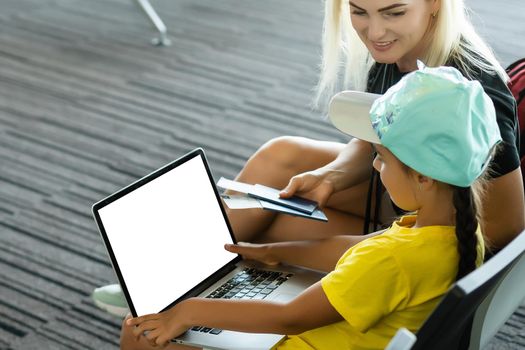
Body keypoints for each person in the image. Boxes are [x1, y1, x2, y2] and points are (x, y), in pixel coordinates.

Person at [93, 0, 524, 317]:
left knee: (268, 227)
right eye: (359, 11)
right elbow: (381, 135)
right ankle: (169, 287)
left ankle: (175, 297)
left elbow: (507, 229)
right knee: (280, 158)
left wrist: (398, 242)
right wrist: (333, 176)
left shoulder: (473, 86)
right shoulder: (400, 54)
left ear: (434, 6)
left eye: (393, 13)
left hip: (457, 236)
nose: (374, 32)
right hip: (421, 194)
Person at [120, 64, 498, 350]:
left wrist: (189, 311)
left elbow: (292, 316)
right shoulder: (454, 232)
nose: (376, 167)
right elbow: (352, 248)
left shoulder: (394, 260)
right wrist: (272, 252)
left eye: (381, 157)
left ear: (423, 176)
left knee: (137, 335)